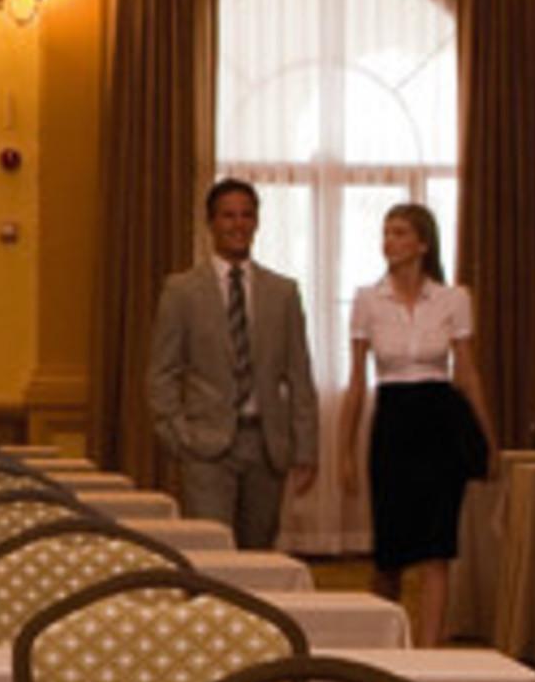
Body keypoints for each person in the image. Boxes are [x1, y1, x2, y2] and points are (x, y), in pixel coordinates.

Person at [145, 174, 322, 552]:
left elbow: (300, 377)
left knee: (258, 554)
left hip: (266, 446)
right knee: (211, 552)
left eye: (246, 215)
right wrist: (178, 436)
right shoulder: (181, 291)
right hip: (206, 448)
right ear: (211, 223)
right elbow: (162, 373)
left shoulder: (283, 293)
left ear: (257, 221)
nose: (238, 224)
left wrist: (305, 449)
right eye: (228, 216)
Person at [347, 200, 490, 641]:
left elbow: (466, 372)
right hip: (392, 420)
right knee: (389, 551)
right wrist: (344, 451)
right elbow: (356, 382)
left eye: (399, 233)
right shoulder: (368, 300)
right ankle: (386, 644)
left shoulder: (453, 298)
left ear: (423, 243)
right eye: (386, 232)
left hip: (439, 420)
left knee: (436, 548)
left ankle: (429, 649)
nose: (388, 241)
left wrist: (488, 436)